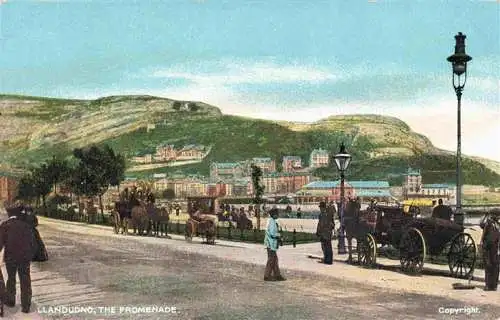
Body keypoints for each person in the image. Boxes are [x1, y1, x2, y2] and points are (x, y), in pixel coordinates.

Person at [0, 205, 34, 313]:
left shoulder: (5, 225)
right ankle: (26, 306)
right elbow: (32, 242)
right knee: (25, 280)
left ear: (9, 214)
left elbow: (0, 243)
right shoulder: (26, 225)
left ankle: (10, 301)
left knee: (11, 279)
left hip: (10, 257)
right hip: (24, 258)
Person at [480, 209, 500, 291]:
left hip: (496, 248)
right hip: (487, 248)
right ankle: (488, 285)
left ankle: (494, 285)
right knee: (488, 265)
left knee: (496, 266)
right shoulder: (488, 223)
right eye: (497, 215)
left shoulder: (498, 224)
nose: (498, 217)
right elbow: (481, 224)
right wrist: (485, 215)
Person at [264, 207, 285, 281]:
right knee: (272, 260)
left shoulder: (270, 220)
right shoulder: (272, 222)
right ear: (274, 214)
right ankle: (267, 275)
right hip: (271, 243)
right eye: (277, 214)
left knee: (274, 259)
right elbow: (273, 233)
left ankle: (277, 275)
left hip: (270, 243)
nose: (278, 215)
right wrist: (280, 236)